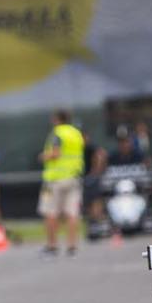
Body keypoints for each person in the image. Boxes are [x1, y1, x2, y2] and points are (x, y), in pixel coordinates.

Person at [38, 109, 86, 257]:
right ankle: (72, 246)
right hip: (74, 178)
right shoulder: (76, 133)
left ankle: (52, 246)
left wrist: (43, 156)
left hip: (55, 179)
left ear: (56, 119)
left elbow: (55, 153)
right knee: (72, 213)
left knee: (50, 212)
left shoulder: (57, 133)